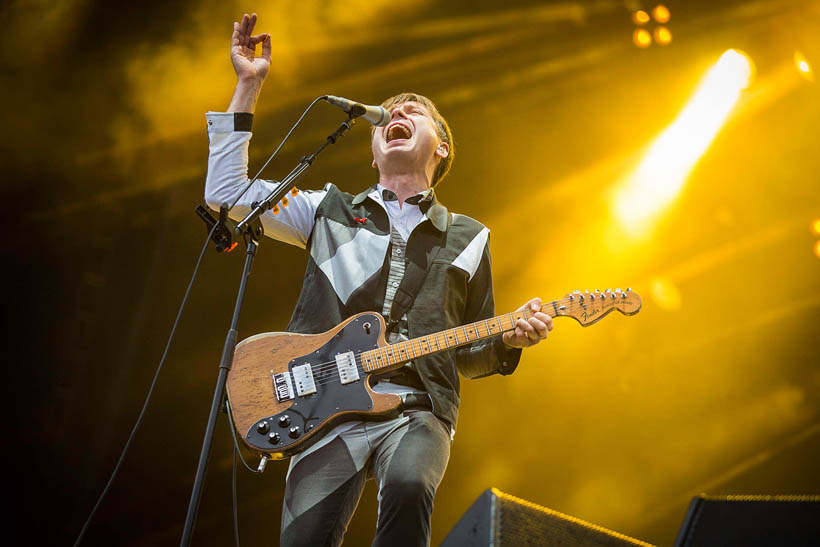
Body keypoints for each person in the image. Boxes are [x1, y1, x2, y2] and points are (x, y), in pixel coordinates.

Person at [205, 13, 554, 547]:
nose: (403, 109)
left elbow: (469, 351)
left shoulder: (470, 237)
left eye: (419, 110)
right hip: (322, 406)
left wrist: (508, 339)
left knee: (411, 485)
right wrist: (248, 85)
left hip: (418, 407)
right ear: (372, 153)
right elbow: (226, 192)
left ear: (441, 148)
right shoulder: (329, 209)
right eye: (393, 110)